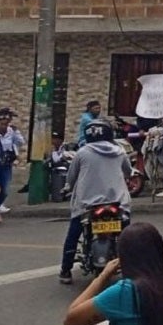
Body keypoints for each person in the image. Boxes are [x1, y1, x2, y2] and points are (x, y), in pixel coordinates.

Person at [58, 119, 133, 285]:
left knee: (74, 233)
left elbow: (71, 176)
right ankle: (132, 267)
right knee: (128, 236)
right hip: (117, 202)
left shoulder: (82, 152)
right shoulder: (119, 151)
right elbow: (128, 172)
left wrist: (67, 187)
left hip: (87, 204)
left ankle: (65, 270)